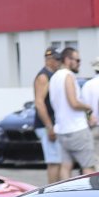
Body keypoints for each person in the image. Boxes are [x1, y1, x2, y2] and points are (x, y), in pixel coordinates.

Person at [48, 47, 96, 177]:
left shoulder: (53, 78)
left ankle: (65, 194)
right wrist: (88, 107)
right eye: (77, 60)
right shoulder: (68, 76)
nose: (79, 63)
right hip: (77, 129)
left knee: (66, 166)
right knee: (88, 167)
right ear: (68, 59)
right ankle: (91, 196)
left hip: (62, 129)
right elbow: (73, 102)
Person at [32, 47, 67, 182]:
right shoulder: (43, 77)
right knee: (54, 162)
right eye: (57, 59)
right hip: (46, 125)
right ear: (49, 60)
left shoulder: (53, 75)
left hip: (52, 124)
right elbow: (39, 103)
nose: (59, 62)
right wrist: (49, 127)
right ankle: (52, 194)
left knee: (59, 161)